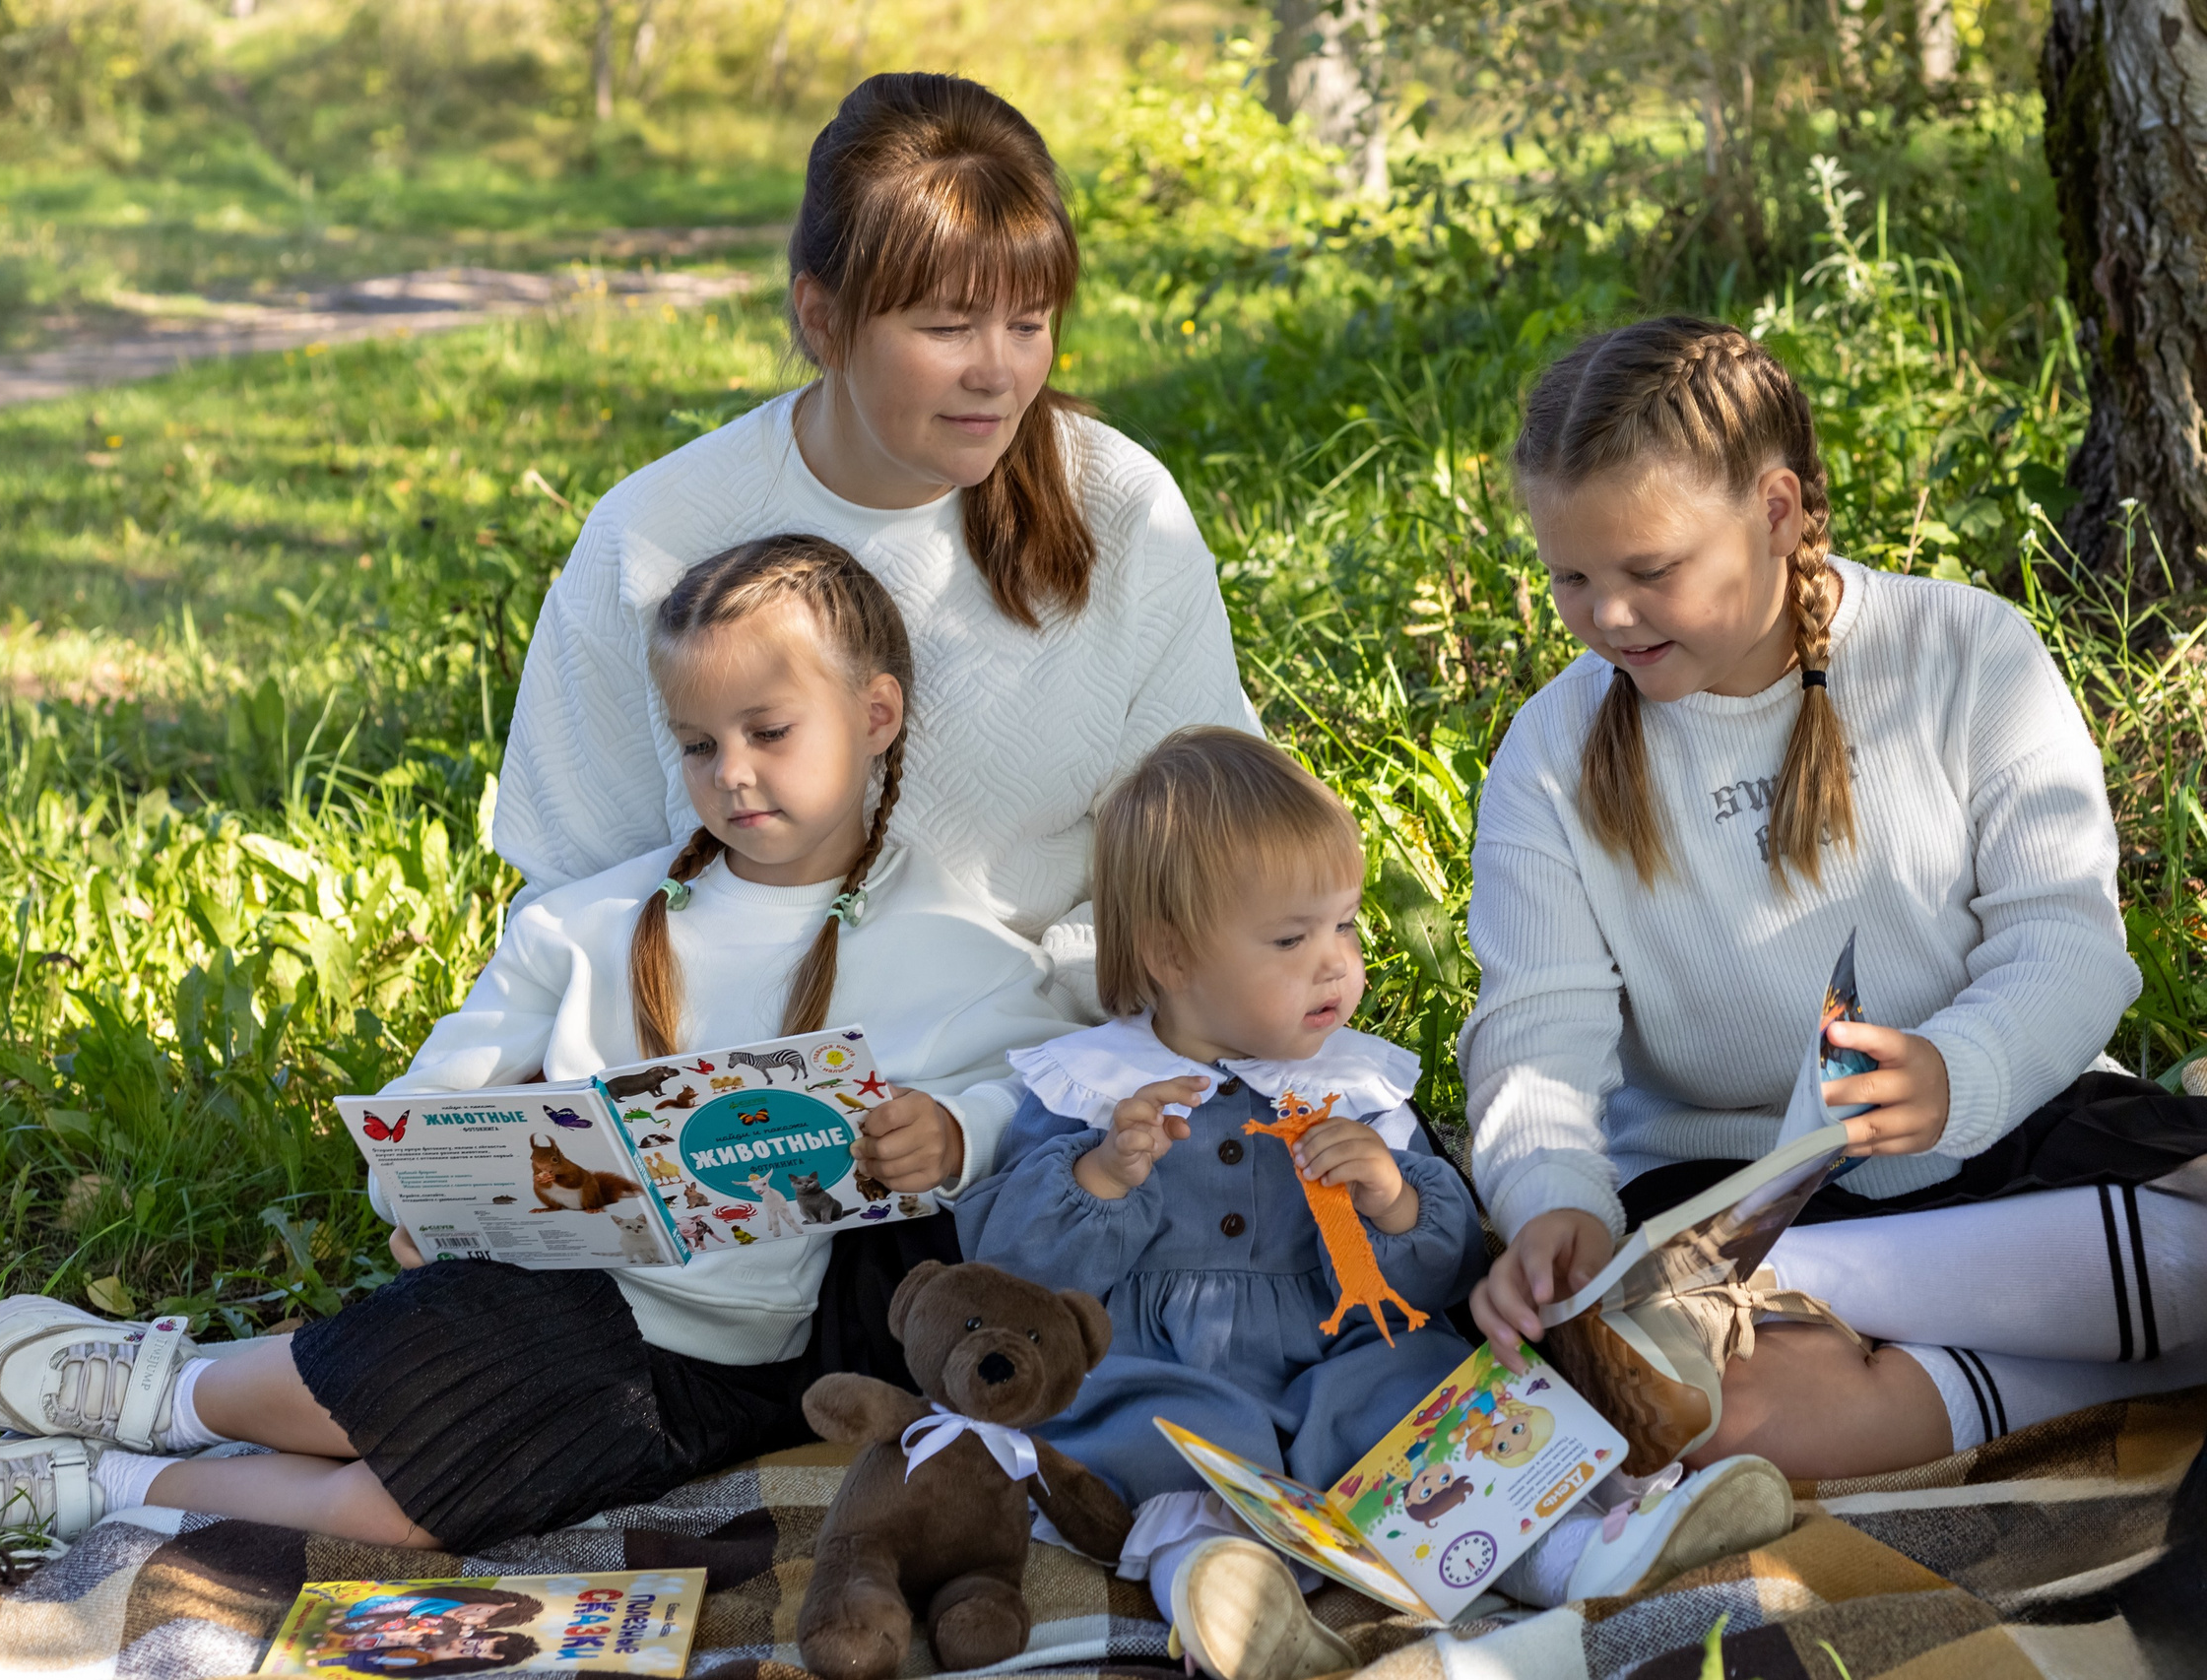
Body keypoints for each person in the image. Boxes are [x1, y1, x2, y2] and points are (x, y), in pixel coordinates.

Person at [0, 537, 1090, 1552]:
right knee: (414, 1368)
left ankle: (108, 1491)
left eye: (769, 730)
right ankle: (155, 1391)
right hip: (550, 1288)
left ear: (876, 713)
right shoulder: (588, 924)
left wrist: (955, 1129)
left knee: (410, 1513)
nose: (731, 775)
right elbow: (435, 1093)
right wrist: (420, 1189)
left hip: (725, 1370)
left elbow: (1038, 1095)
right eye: (696, 743)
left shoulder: (955, 944)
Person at [1461, 316, 2207, 1487]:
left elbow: (2064, 939)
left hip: (2005, 1136)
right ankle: (2102, 1364)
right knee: (1719, 1414)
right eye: (1571, 577)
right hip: (1718, 1194)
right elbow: (1534, 1031)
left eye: (1648, 571)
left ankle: (1790, 1315)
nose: (1607, 615)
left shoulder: (1967, 650)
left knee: (2197, 1245)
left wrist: (1959, 1069)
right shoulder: (1551, 750)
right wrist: (1553, 1197)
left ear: (1773, 511)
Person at [957, 730, 1785, 1680]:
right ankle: (1221, 1589)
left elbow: (1445, 1276)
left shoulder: (1355, 1087)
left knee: (1422, 1393)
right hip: (1166, 1368)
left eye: (1345, 925)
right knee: (1169, 1442)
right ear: (1172, 954)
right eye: (1291, 938)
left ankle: (1577, 1551)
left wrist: (1393, 1202)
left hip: (1341, 1349)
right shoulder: (1093, 1085)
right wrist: (1102, 1178)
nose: (1335, 962)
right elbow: (1013, 1279)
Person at [492, 71, 1255, 1010]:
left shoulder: (1122, 509)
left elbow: (1212, 847)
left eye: (1029, 324)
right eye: (946, 325)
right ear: (823, 322)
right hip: (733, 1076)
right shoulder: (655, 535)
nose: (998, 374)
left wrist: (1013, 1044)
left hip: (1047, 1068)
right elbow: (572, 883)